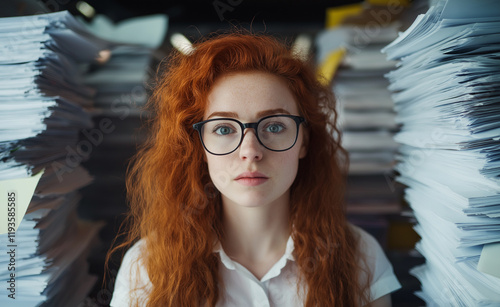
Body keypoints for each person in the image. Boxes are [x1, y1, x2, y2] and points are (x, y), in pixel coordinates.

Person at [107, 32, 401, 307]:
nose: (250, 151)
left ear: (303, 142)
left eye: (274, 126)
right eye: (223, 129)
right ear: (200, 147)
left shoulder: (360, 255)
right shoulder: (146, 266)